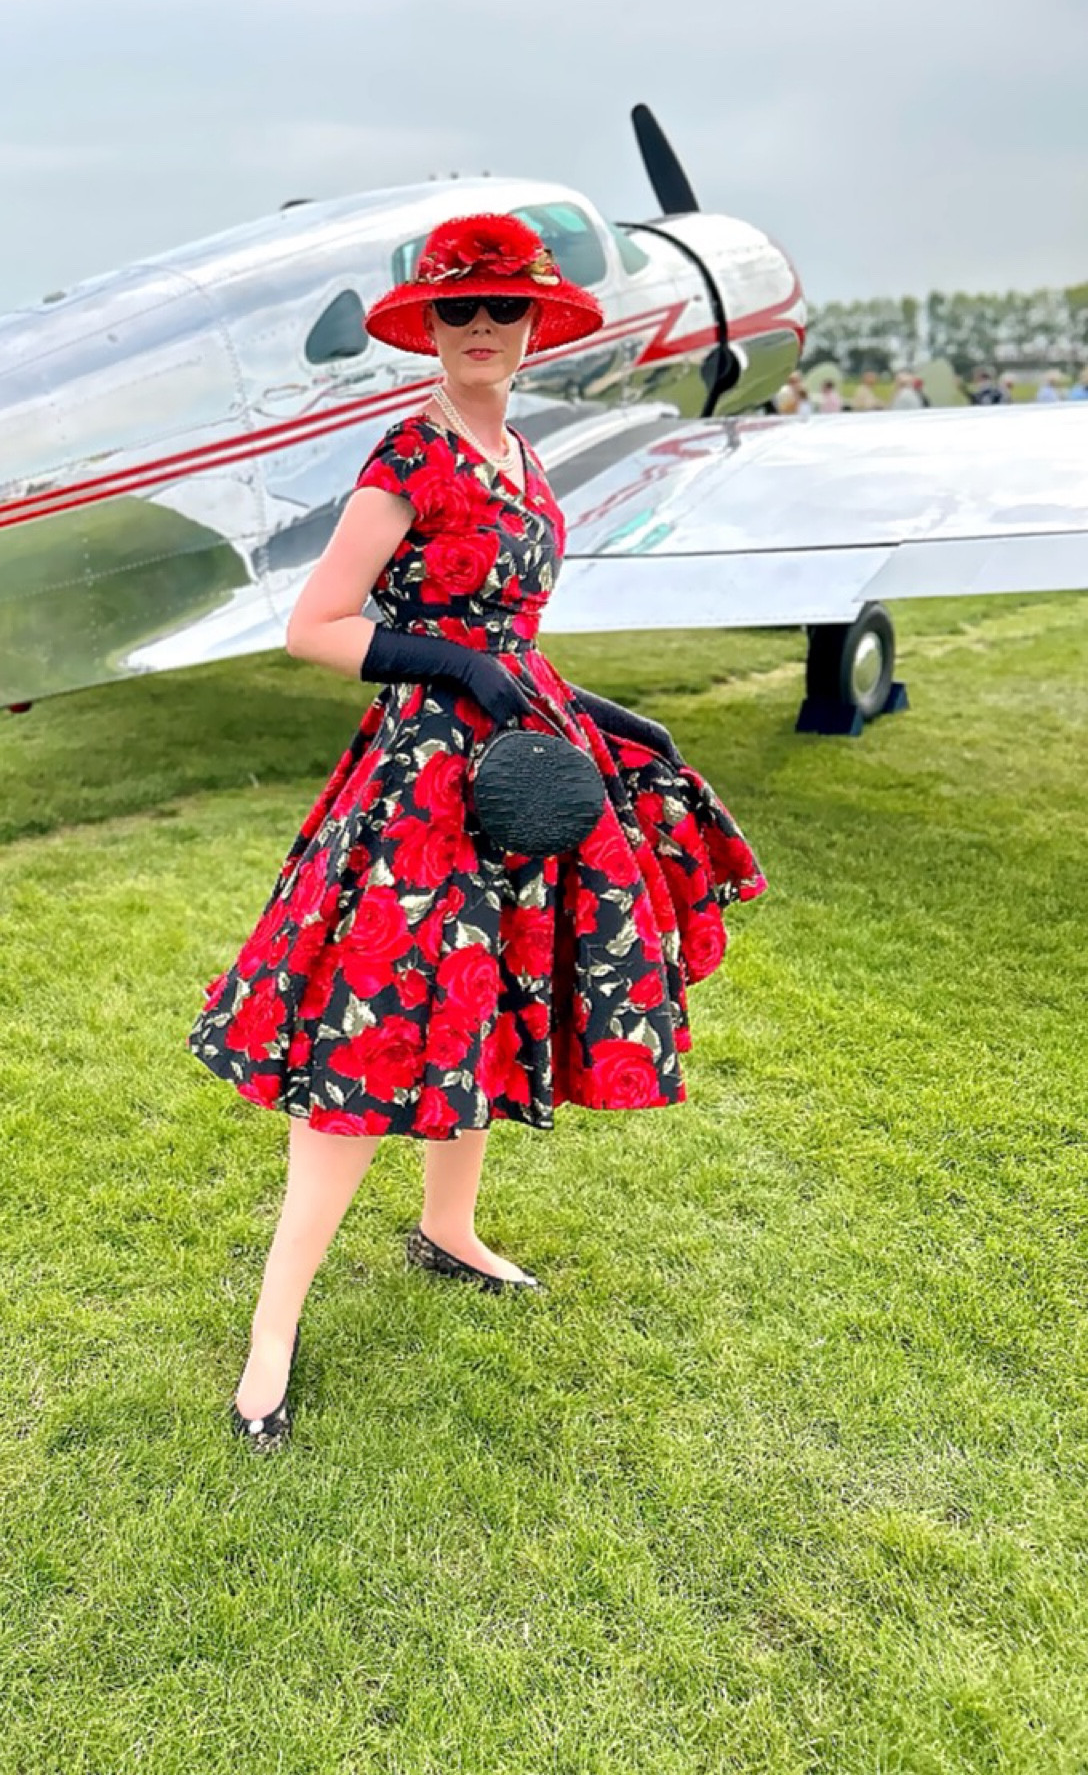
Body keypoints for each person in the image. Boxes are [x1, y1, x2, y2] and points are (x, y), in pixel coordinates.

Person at [190, 213, 766, 1452]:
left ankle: (449, 1227)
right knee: (370, 1031)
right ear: (430, 329)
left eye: (507, 309)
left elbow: (512, 625)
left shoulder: (517, 451)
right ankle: (271, 1338)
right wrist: (447, 661)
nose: (487, 330)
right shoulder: (411, 453)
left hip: (519, 752)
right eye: (462, 312)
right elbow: (317, 622)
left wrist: (601, 710)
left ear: (539, 320)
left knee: (490, 998)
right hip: (424, 783)